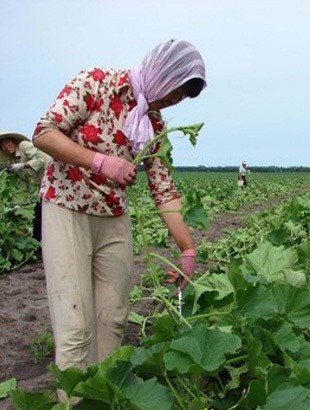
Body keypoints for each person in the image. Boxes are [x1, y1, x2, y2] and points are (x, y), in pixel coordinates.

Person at [32, 40, 207, 393]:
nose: (175, 101)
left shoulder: (154, 124)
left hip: (113, 215)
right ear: (163, 72)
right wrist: (99, 161)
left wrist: (187, 249)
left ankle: (103, 396)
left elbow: (164, 190)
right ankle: (73, 400)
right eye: (176, 91)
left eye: (182, 98)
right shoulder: (96, 82)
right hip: (67, 207)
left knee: (112, 319)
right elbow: (44, 133)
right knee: (75, 325)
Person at [0, 132, 50, 242]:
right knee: (39, 217)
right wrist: (19, 203)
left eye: (7, 143)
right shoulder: (14, 161)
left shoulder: (23, 145)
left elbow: (40, 159)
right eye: (3, 146)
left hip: (52, 179)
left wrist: (23, 165)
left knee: (39, 216)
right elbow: (23, 183)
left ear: (14, 142)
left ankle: (39, 247)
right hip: (41, 187)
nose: (6, 147)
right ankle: (39, 246)